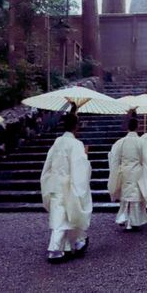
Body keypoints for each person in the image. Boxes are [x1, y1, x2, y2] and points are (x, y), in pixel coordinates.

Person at [41, 112, 92, 264]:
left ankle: (71, 244)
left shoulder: (57, 142)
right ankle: (55, 249)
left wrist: (47, 181)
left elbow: (48, 164)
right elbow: (79, 166)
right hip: (69, 184)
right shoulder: (76, 144)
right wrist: (86, 156)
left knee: (62, 214)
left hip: (55, 183)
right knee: (66, 215)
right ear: (76, 126)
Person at [108, 118, 147, 231]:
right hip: (137, 171)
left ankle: (125, 218)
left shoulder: (120, 142)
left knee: (126, 196)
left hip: (124, 171)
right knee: (135, 196)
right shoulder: (142, 142)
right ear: (137, 126)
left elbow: (113, 158)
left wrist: (116, 172)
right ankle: (135, 221)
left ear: (127, 127)